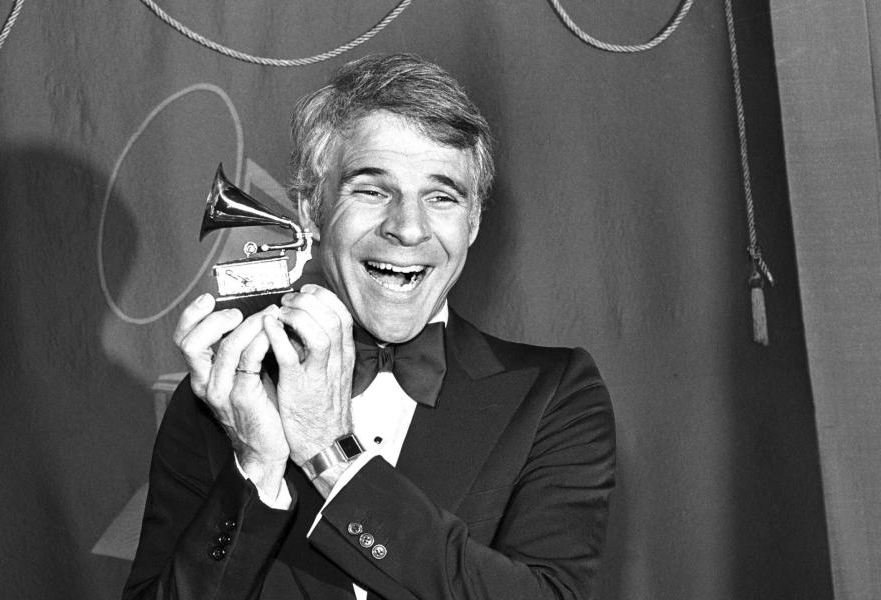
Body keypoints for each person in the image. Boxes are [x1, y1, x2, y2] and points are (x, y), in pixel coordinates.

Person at [123, 53, 615, 600]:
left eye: (442, 196)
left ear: (473, 222)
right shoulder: (224, 397)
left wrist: (330, 452)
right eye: (372, 190)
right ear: (311, 209)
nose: (407, 228)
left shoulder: (554, 393)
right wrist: (256, 467)